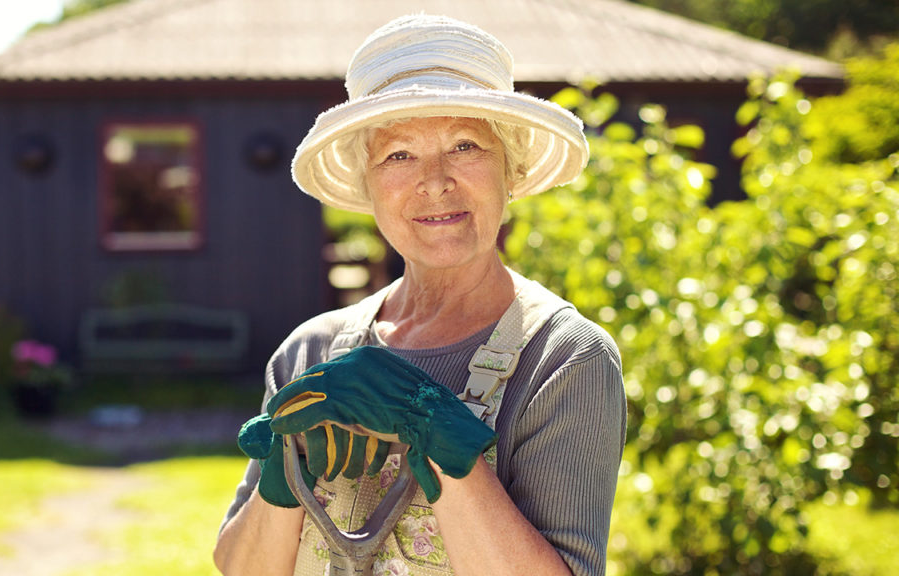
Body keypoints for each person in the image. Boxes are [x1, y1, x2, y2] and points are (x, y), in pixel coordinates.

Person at [214, 14, 626, 576]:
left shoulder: (563, 357)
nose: (434, 181)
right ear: (368, 185)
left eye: (464, 146)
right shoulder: (309, 353)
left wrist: (436, 429)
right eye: (399, 155)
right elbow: (246, 569)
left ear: (510, 172)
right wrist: (281, 479)